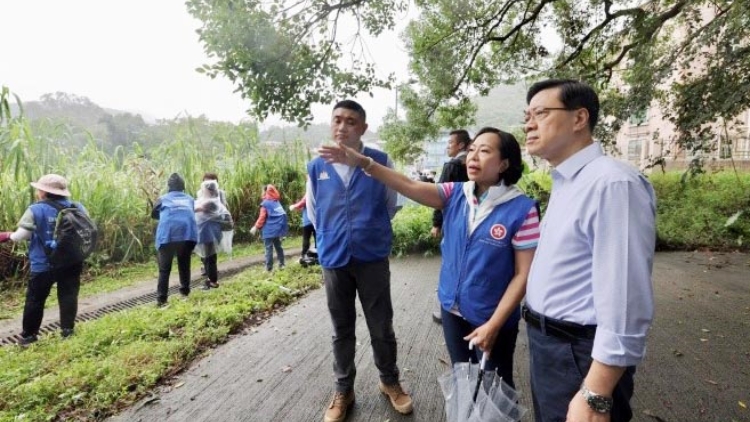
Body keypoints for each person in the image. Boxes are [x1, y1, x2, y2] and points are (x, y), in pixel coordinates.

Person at [319, 126, 540, 392]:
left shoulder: (522, 209)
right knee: (463, 379)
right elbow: (409, 184)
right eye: (471, 150)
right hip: (452, 311)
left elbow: (523, 274)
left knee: (496, 387)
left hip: (492, 316)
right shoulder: (455, 194)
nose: (473, 157)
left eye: (484, 151)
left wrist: (494, 325)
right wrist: (366, 163)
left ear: (504, 163)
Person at [522, 79, 656, 421]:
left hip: (578, 352)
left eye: (540, 112)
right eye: (527, 115)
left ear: (579, 118)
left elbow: (626, 297)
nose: (529, 123)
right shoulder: (568, 181)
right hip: (547, 344)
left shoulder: (612, 184)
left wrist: (596, 391)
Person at [307, 99, 410, 422]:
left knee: (381, 324)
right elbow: (314, 211)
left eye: (351, 121)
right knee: (341, 328)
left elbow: (392, 204)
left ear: (363, 128)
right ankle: (343, 390)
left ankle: (390, 382)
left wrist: (368, 229)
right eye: (337, 119)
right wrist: (331, 238)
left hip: (372, 256)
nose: (342, 126)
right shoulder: (316, 166)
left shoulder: (379, 161)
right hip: (335, 258)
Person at [0, 174, 89, 345]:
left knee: (35, 299)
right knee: (68, 295)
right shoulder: (77, 207)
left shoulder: (36, 209)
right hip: (72, 261)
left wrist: (6, 235)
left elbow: (21, 236)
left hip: (44, 263)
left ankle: (29, 336)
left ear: (43, 191)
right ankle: (67, 330)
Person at [431, 129, 471, 324]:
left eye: (450, 143)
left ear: (461, 145)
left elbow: (440, 197)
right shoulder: (472, 164)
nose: (447, 146)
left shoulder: (452, 166)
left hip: (453, 222)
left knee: (450, 263)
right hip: (475, 222)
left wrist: (436, 223)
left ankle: (446, 308)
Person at [151, 173, 198, 308]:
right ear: (183, 187)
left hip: (168, 236)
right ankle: (185, 292)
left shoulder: (162, 199)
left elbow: (154, 214)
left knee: (164, 269)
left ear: (169, 187)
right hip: (187, 235)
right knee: (184, 264)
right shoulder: (189, 199)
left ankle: (162, 300)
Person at [194, 179, 232, 290]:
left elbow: (195, 209)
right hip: (211, 232)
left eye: (204, 189)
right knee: (209, 257)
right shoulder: (214, 201)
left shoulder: (211, 202)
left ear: (208, 190)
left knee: (209, 257)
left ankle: (213, 281)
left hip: (207, 233)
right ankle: (211, 280)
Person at [249, 184, 288, 271]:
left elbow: (262, 217)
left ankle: (269, 268)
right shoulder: (277, 202)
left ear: (265, 192)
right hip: (277, 230)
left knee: (268, 249)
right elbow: (283, 216)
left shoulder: (265, 204)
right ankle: (282, 264)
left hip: (268, 231)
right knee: (278, 247)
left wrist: (255, 227)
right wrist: (283, 232)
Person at [196, 172, 228, 276]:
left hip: (215, 223)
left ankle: (211, 269)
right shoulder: (199, 193)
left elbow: (223, 207)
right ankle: (206, 267)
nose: (208, 184)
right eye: (205, 181)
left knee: (212, 247)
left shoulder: (220, 193)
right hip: (202, 224)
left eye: (210, 181)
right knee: (203, 246)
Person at [288, 193, 317, 264]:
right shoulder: (318, 193)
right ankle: (317, 255)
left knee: (306, 239)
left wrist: (294, 206)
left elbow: (304, 201)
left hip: (308, 222)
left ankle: (304, 255)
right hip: (316, 221)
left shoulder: (310, 191)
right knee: (317, 239)